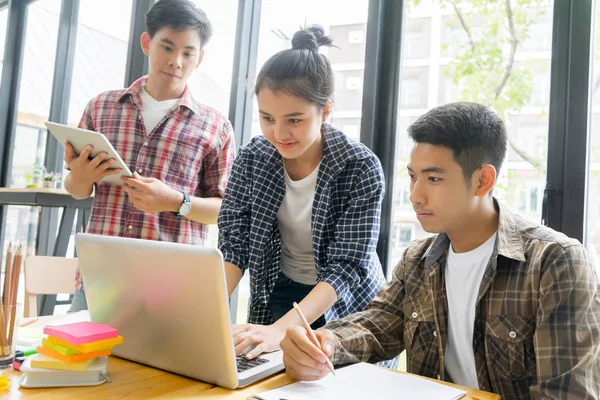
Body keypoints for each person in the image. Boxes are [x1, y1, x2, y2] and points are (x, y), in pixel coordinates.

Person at [280, 102, 600, 398]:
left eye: (433, 178)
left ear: (482, 180)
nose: (416, 196)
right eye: (413, 177)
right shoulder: (417, 260)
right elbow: (376, 326)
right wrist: (325, 344)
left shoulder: (556, 263)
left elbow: (566, 395)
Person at [217, 25, 391, 364]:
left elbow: (346, 267)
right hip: (280, 291)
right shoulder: (253, 158)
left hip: (346, 305)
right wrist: (203, 312)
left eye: (294, 120)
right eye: (267, 118)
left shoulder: (360, 167)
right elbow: (234, 245)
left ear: (324, 112)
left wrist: (279, 332)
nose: (278, 133)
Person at [64, 0, 236, 311]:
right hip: (99, 280)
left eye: (188, 53)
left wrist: (174, 202)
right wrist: (81, 177)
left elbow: (225, 209)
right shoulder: (100, 108)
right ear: (147, 43)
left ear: (200, 58)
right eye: (167, 47)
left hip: (170, 288)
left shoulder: (216, 126)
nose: (176, 62)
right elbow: (76, 190)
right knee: (82, 361)